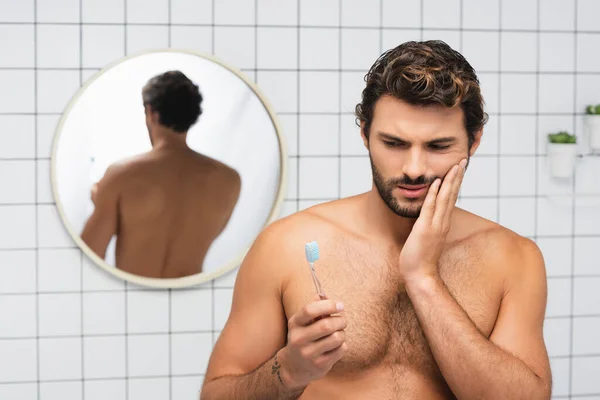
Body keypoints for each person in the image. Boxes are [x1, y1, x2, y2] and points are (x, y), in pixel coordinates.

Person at [200, 41, 552, 399]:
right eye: (395, 143)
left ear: (473, 141)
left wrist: (424, 278)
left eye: (438, 146)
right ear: (365, 134)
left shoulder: (513, 259)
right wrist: (289, 371)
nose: (414, 169)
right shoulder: (285, 246)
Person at [81, 70, 241, 279]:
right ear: (193, 114)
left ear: (150, 112)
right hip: (190, 295)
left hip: (132, 294)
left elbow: (89, 255)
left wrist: (103, 201)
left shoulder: (122, 175)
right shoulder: (229, 180)